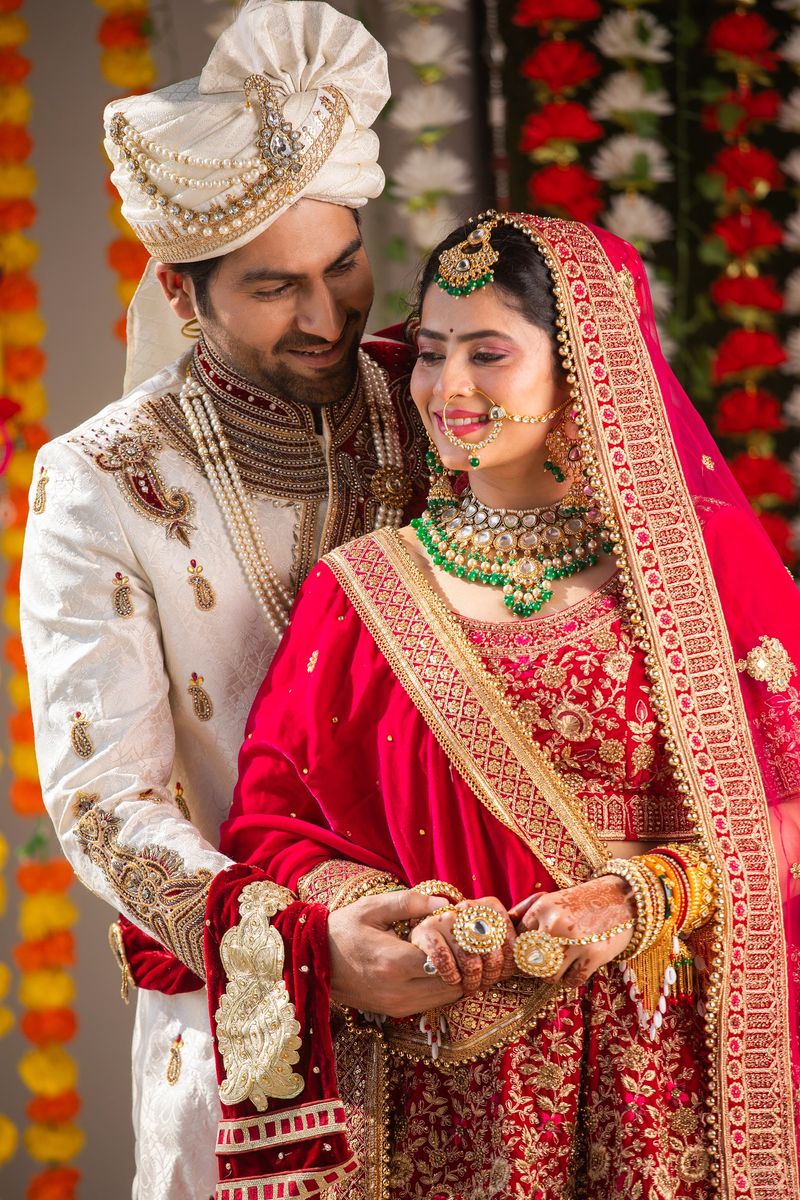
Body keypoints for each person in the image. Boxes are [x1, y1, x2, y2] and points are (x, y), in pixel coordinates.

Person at [205, 212, 800, 1199]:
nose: (447, 389)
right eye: (431, 352)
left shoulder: (696, 563)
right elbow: (271, 833)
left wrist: (644, 896)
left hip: (669, 1077)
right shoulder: (361, 592)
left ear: (582, 368)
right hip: (452, 1090)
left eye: (489, 353)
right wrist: (369, 913)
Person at [19, 3, 431, 1197]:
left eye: (342, 264)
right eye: (271, 288)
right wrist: (302, 946)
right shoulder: (102, 480)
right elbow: (105, 803)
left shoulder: (439, 404)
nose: (325, 316)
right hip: (252, 1026)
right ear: (184, 294)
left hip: (482, 989)